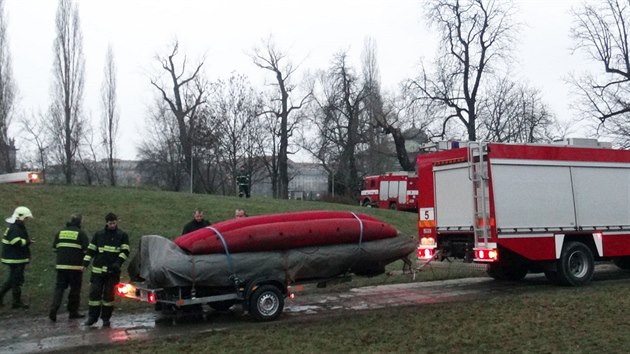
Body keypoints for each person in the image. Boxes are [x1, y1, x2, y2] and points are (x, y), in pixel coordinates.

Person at [83, 212, 129, 327]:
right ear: (106, 223)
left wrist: (118, 262)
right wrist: (85, 263)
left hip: (112, 272)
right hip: (97, 271)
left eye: (114, 223)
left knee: (109, 296)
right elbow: (91, 250)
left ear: (116, 222)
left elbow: (125, 251)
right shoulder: (99, 235)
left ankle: (106, 319)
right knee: (94, 295)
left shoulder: (122, 235)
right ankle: (92, 317)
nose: (112, 225)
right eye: (110, 223)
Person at [49, 214, 89, 322]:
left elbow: (54, 248)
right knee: (75, 290)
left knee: (59, 288)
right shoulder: (81, 234)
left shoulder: (60, 232)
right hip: (75, 267)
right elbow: (87, 251)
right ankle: (73, 312)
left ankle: (54, 308)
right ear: (80, 223)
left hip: (61, 266)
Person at [0, 206, 34, 309]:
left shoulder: (15, 226)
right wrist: (27, 242)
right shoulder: (15, 228)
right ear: (21, 217)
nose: (27, 220)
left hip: (15, 258)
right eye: (26, 218)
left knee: (12, 280)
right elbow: (16, 242)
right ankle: (16, 302)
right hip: (15, 259)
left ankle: (7, 298)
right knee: (16, 281)